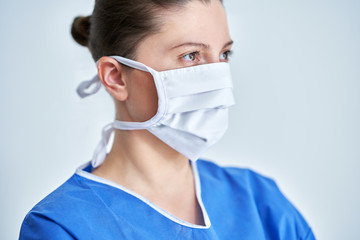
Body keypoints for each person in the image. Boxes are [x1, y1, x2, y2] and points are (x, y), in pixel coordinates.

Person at [19, 0, 315, 239]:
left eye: (225, 54)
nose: (218, 77)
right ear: (116, 77)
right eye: (191, 56)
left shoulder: (259, 200)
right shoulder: (62, 226)